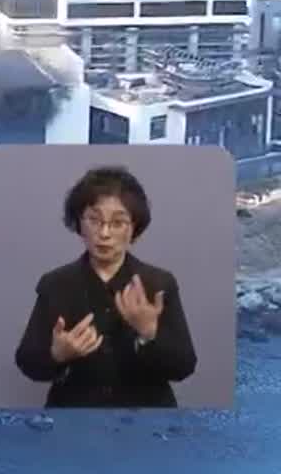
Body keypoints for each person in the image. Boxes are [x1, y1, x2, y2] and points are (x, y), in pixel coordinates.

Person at [14, 165, 197, 407]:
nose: (105, 233)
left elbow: (184, 367)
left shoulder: (159, 283)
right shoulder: (55, 284)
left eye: (118, 223)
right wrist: (58, 355)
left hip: (146, 420)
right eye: (94, 220)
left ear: (134, 229)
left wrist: (149, 334)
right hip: (74, 420)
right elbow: (28, 363)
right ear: (79, 224)